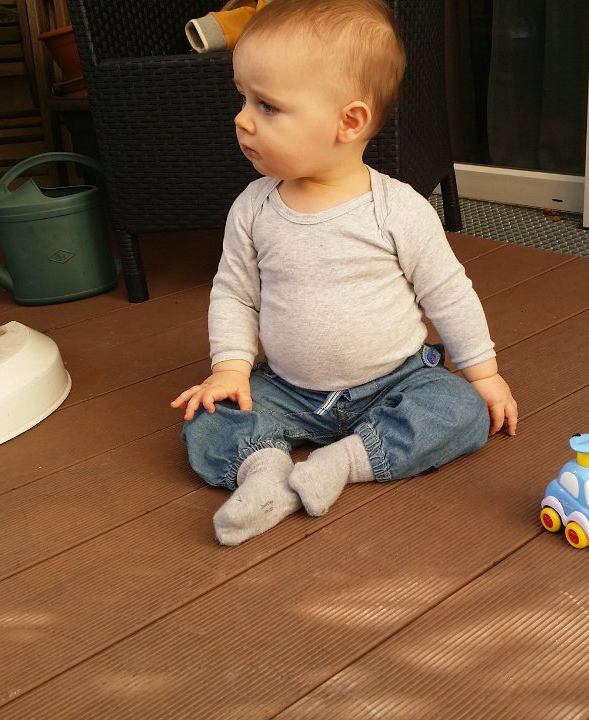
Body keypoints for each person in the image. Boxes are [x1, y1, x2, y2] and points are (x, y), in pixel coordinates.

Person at [171, 0, 518, 546]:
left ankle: (343, 463)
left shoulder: (396, 209)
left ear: (348, 121)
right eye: (243, 98)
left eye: (267, 106)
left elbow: (448, 293)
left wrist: (485, 374)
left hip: (395, 382)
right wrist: (231, 370)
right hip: (286, 389)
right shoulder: (254, 208)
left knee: (461, 411)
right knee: (207, 417)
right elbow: (235, 294)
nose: (242, 118)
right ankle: (265, 475)